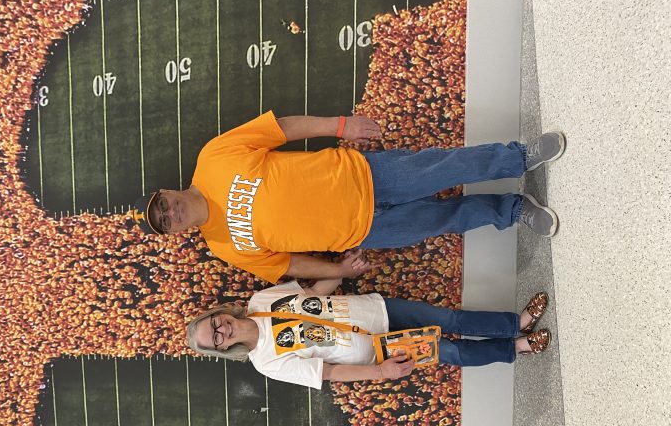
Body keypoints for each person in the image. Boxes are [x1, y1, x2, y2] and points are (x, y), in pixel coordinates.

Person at [131, 112, 565, 284]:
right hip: (364, 230)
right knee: (446, 218)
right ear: (174, 232)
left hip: (362, 175)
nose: (170, 212)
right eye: (164, 221)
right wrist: (338, 269)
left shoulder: (213, 157)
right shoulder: (223, 246)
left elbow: (280, 129)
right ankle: (512, 210)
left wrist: (340, 126)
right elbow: (288, 264)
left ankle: (519, 157)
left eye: (162, 205)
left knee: (445, 167)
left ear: (166, 191)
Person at [186, 276, 551, 388]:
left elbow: (312, 295)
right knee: (451, 351)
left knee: (450, 319)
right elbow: (328, 372)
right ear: (222, 349)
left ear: (219, 313)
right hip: (380, 347)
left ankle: (515, 323)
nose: (221, 330)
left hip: (376, 310)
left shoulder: (260, 300)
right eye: (215, 339)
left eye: (214, 323)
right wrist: (380, 371)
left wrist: (343, 271)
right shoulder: (265, 362)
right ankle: (518, 348)